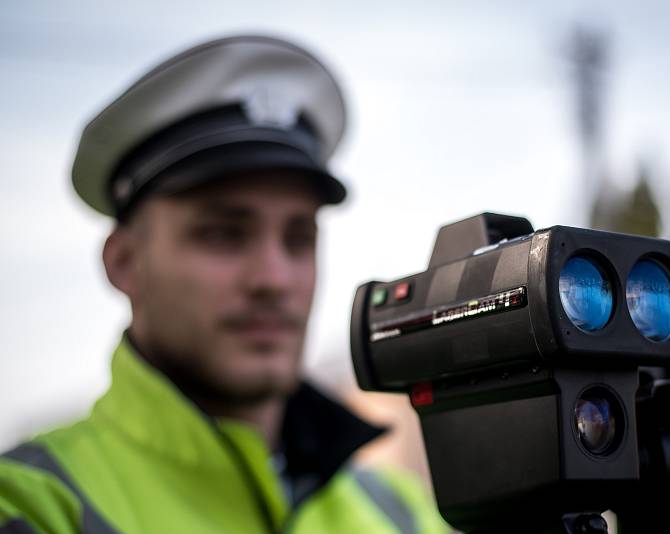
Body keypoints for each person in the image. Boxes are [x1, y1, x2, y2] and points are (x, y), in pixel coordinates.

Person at [0, 35, 448, 534]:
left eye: (298, 239)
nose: (274, 280)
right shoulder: (31, 505)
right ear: (124, 262)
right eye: (222, 235)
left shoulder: (404, 512)